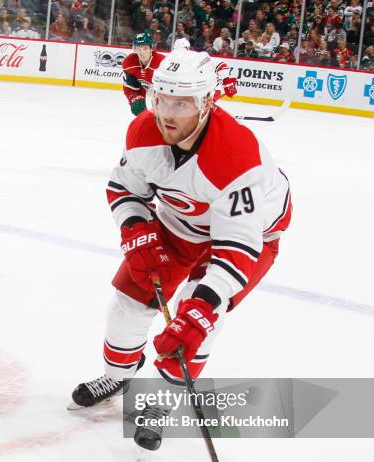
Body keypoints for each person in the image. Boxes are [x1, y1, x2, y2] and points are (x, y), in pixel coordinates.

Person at [71, 49, 292, 414]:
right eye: (161, 100)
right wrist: (136, 228)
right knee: (128, 304)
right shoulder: (144, 130)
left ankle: (160, 404)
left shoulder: (237, 158)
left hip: (246, 239)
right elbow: (124, 187)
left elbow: (237, 248)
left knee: (198, 324)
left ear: (207, 103)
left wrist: (203, 305)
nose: (167, 115)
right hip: (179, 224)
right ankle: (118, 374)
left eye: (182, 104)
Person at [173, 37, 237, 100]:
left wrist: (226, 81)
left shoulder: (195, 57)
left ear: (187, 49)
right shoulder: (173, 61)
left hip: (208, 92)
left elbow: (220, 65)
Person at [122, 32, 165, 116]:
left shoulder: (163, 63)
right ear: (134, 50)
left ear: (151, 49)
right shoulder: (129, 62)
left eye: (145, 48)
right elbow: (130, 87)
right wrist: (134, 99)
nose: (142, 52)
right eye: (139, 49)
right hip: (147, 100)